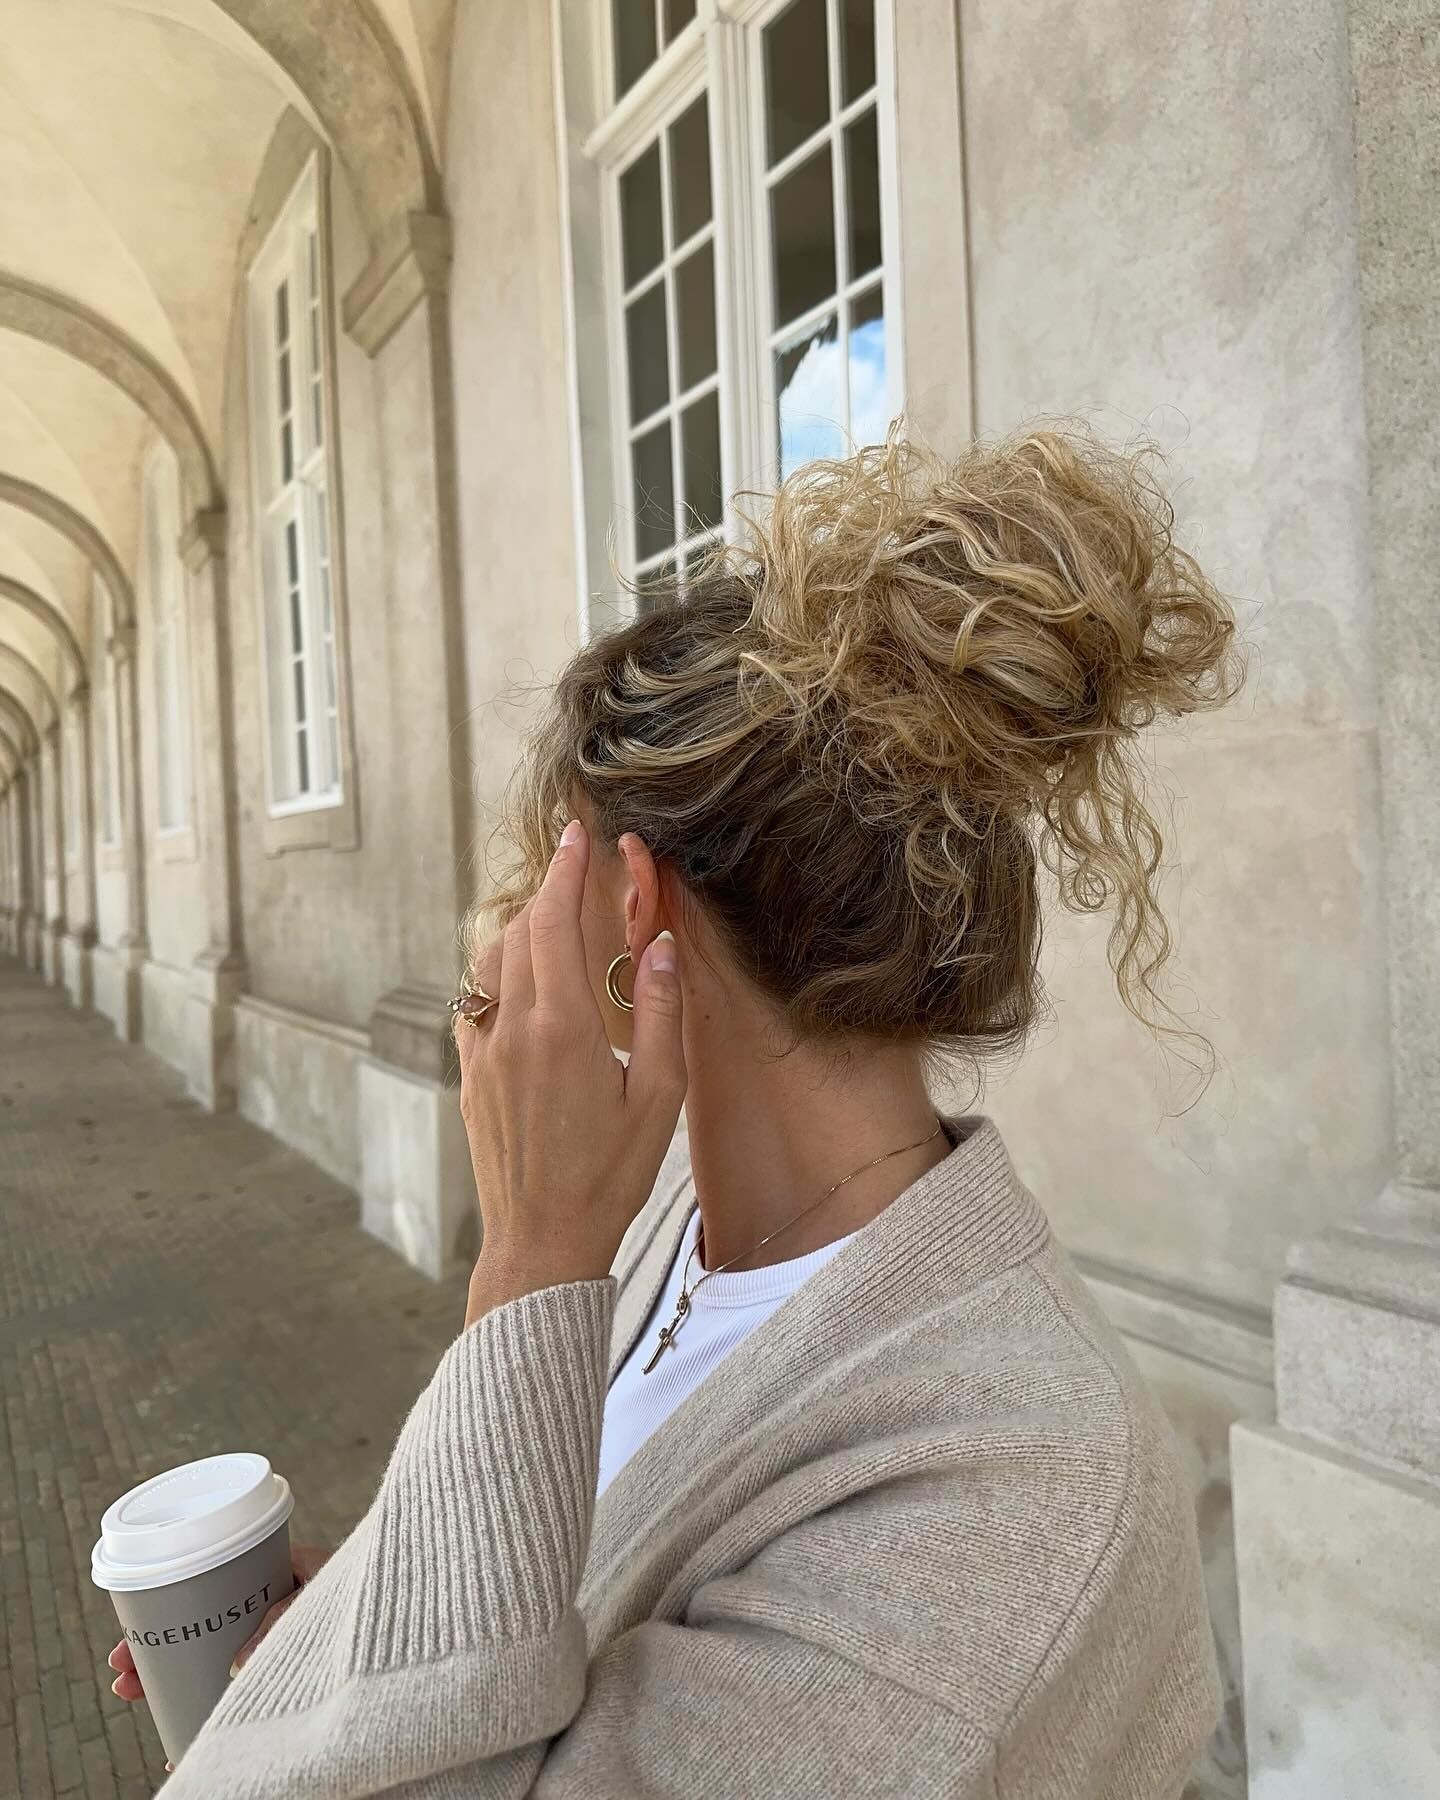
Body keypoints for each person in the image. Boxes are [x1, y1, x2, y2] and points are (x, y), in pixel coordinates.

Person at [111, 426, 1242, 1796]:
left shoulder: (1021, 1490)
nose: (513, 923)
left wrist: (525, 1265)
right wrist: (353, 1630)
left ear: (635, 907)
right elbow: (569, 1606)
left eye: (547, 866)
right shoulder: (669, 1244)